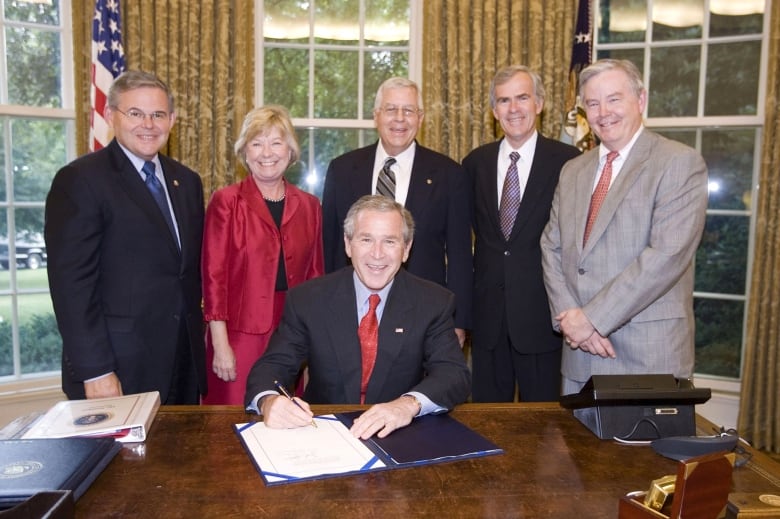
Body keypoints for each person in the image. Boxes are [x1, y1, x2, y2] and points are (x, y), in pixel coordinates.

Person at [540, 59, 709, 395]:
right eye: (592, 103)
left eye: (614, 99)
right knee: (574, 449)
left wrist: (590, 320)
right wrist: (570, 320)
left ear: (641, 100)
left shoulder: (678, 163)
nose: (603, 112)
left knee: (645, 450)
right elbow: (551, 247)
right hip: (579, 356)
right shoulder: (572, 170)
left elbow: (666, 256)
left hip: (647, 356)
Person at [245, 195, 470, 439]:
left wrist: (407, 405)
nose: (377, 254)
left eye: (390, 242)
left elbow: (453, 374)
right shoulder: (308, 299)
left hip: (399, 433)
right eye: (366, 239)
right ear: (347, 244)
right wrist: (269, 401)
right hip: (322, 433)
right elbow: (272, 366)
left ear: (406, 249)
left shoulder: (434, 301)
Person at [45, 70, 206, 404]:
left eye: (158, 114)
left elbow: (185, 273)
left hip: (181, 362)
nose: (148, 124)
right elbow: (71, 287)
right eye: (135, 113)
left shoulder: (187, 182)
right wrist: (96, 371)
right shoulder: (80, 180)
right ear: (110, 116)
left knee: (180, 457)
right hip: (118, 367)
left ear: (172, 120)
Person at [321, 77, 473, 346]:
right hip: (352, 310)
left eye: (409, 110)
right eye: (391, 109)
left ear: (421, 117)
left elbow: (460, 254)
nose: (400, 119)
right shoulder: (342, 170)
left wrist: (458, 321)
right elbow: (332, 247)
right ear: (376, 115)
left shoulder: (449, 174)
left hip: (425, 315)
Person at [463, 65, 580, 402]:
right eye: (504, 100)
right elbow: (469, 239)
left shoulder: (570, 163)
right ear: (494, 110)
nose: (513, 108)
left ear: (539, 103)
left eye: (522, 98)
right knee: (488, 427)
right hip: (488, 321)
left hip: (545, 319)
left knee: (544, 432)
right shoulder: (474, 165)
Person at [201, 105, 324, 405]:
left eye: (276, 142)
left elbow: (315, 278)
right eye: (256, 143)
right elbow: (213, 276)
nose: (266, 152)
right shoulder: (226, 202)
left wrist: (313, 349)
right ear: (245, 152)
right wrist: (220, 343)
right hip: (238, 334)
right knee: (231, 422)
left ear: (290, 151)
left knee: (284, 418)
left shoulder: (309, 206)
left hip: (291, 333)